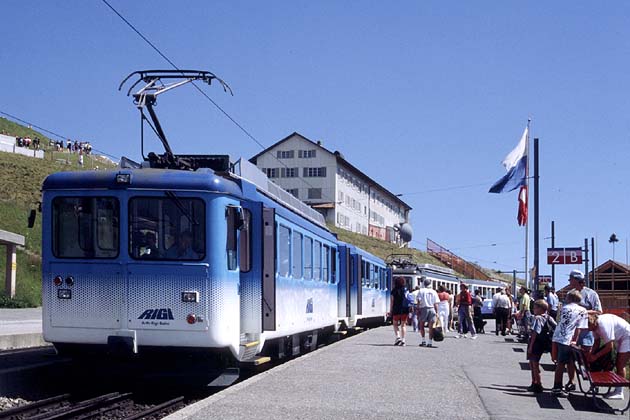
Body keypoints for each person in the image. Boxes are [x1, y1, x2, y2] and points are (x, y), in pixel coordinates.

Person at [564, 269, 603, 392]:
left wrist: (584, 312)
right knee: (570, 357)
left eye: (571, 279)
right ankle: (571, 381)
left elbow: (599, 311)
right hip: (572, 330)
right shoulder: (570, 294)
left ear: (577, 280)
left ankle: (593, 383)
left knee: (587, 358)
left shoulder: (592, 294)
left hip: (587, 332)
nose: (569, 281)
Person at [550, 290, 588, 397]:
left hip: (558, 336)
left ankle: (563, 384)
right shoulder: (582, 310)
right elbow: (579, 327)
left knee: (562, 361)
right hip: (568, 338)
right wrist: (575, 340)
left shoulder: (564, 308)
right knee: (563, 363)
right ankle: (557, 387)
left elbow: (558, 321)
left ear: (569, 298)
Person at [586, 313, 630, 400]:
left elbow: (609, 346)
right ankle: (617, 390)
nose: (587, 330)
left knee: (620, 364)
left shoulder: (603, 325)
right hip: (621, 337)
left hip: (627, 336)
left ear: (591, 323)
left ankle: (619, 392)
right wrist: (591, 354)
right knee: (618, 363)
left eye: (587, 327)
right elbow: (597, 343)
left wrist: (595, 356)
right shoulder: (594, 326)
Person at [527, 299, 556, 393]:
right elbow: (556, 327)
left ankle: (537, 383)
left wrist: (531, 346)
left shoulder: (537, 318)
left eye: (535, 307)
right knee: (535, 363)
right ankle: (536, 382)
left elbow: (535, 332)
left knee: (533, 363)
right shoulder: (549, 317)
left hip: (536, 342)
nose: (533, 309)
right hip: (545, 342)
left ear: (540, 309)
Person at [416, 277, 439, 347]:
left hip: (424, 308)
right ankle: (430, 342)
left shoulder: (421, 290)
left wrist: (418, 309)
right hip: (432, 308)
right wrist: (437, 312)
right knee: (430, 326)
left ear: (424, 284)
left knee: (421, 325)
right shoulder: (434, 291)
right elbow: (436, 303)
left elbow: (418, 301)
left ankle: (423, 341)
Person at [389, 276, 408, 346]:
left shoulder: (394, 291)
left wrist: (391, 311)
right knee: (403, 325)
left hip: (396, 309)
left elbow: (392, 302)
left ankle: (398, 337)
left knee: (395, 324)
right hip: (405, 309)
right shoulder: (406, 290)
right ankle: (403, 340)